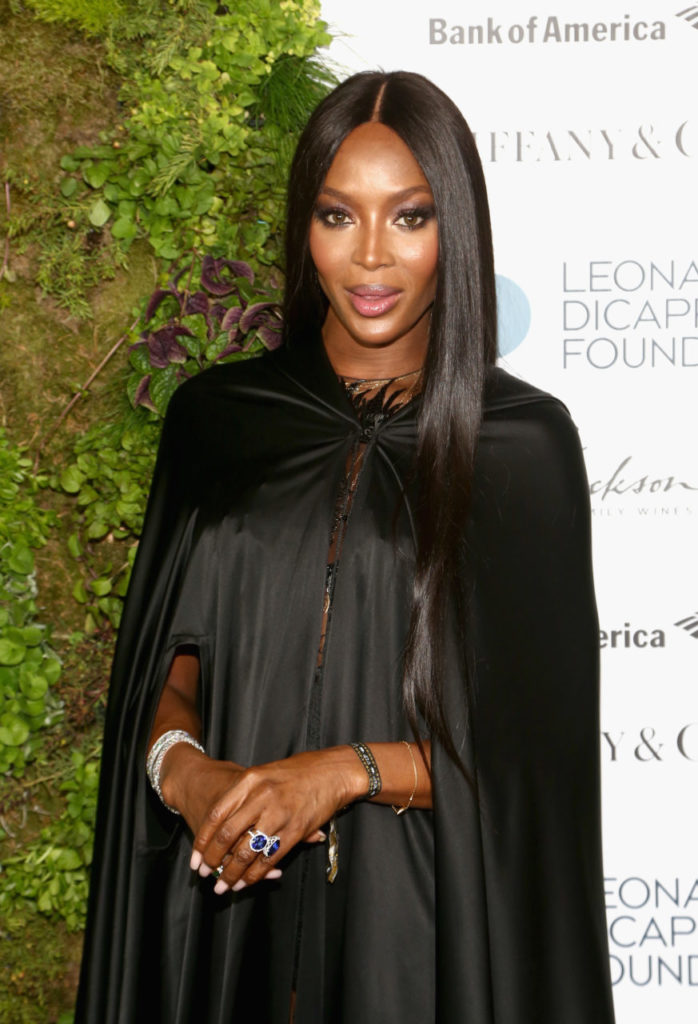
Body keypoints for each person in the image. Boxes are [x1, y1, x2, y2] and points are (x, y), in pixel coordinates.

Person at [75, 71, 616, 1023]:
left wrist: (340, 772)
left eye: (409, 217)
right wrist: (185, 772)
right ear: (305, 230)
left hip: (423, 938)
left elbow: (537, 756)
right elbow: (167, 664)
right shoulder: (219, 420)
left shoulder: (522, 444)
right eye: (338, 215)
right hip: (223, 921)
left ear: (456, 231)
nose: (371, 255)